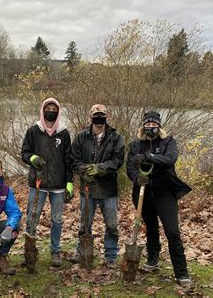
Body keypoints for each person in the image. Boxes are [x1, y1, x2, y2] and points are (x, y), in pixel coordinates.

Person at [126, 111, 192, 287]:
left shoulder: (168, 142)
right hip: (143, 193)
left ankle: (181, 272)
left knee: (172, 231)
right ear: (143, 126)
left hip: (165, 193)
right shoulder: (135, 145)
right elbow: (129, 167)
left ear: (159, 126)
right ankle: (153, 258)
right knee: (151, 228)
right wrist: (136, 177)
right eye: (147, 124)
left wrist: (149, 157)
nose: (151, 127)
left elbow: (170, 160)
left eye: (154, 125)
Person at [70, 104, 124, 268]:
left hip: (108, 189)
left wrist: (99, 169)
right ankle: (82, 251)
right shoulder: (81, 137)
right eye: (96, 115)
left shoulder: (116, 137)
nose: (98, 118)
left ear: (107, 116)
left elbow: (117, 161)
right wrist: (83, 171)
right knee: (85, 223)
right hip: (88, 188)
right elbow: (74, 159)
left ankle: (111, 255)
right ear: (90, 116)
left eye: (101, 115)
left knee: (112, 224)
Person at [21, 97, 73, 267]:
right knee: (32, 218)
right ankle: (30, 251)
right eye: (48, 108)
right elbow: (25, 153)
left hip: (58, 185)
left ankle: (55, 251)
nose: (51, 111)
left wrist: (69, 183)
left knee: (57, 220)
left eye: (54, 108)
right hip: (38, 183)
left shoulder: (64, 132)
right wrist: (33, 158)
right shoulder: (34, 131)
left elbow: (68, 160)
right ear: (42, 110)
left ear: (58, 111)